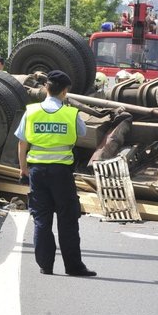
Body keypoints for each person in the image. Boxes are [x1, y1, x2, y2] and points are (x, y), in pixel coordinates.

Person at [16, 70, 96, 277]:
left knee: (42, 219)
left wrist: (23, 168)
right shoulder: (70, 113)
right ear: (65, 91)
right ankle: (73, 266)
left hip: (37, 172)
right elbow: (82, 132)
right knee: (67, 219)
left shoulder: (31, 111)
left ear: (46, 89)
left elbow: (22, 142)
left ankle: (46, 265)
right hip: (61, 173)